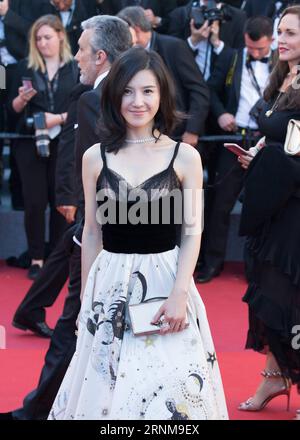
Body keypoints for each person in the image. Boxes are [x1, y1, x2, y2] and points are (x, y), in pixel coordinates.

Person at [48, 46, 228, 420]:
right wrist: (86, 299)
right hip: (110, 280)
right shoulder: (95, 157)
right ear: (114, 95)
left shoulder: (184, 157)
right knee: (107, 385)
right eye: (128, 91)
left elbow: (193, 232)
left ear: (162, 95)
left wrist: (181, 291)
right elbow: (93, 232)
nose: (137, 101)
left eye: (147, 91)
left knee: (167, 390)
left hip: (165, 279)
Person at [0, 14, 133, 421]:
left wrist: (85, 217)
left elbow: (97, 163)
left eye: (81, 48)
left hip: (101, 227)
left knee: (74, 321)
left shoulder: (98, 98)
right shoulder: (127, 91)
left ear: (101, 55)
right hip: (121, 225)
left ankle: (39, 410)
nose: (76, 55)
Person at [236, 6, 300, 416]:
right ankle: (274, 375)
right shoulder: (285, 78)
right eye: (281, 31)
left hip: (295, 210)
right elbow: (282, 140)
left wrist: (265, 158)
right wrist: (257, 153)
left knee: (288, 295)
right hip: (274, 205)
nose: (282, 39)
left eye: (291, 33)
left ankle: (282, 374)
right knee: (268, 291)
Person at [197, 16, 275, 283]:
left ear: (272, 42)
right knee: (220, 204)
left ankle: (258, 268)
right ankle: (212, 263)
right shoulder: (231, 57)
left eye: (260, 50)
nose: (254, 53)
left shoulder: (283, 64)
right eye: (251, 48)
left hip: (267, 142)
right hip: (234, 139)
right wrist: (220, 114)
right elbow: (210, 90)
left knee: (264, 206)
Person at [9, 14, 78, 280]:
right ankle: (37, 258)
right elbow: (11, 111)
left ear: (61, 36)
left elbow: (81, 108)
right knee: (34, 202)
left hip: (65, 142)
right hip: (30, 143)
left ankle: (57, 260)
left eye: (47, 37)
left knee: (62, 202)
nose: (42, 43)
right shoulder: (24, 68)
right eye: (38, 38)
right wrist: (19, 100)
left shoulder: (74, 69)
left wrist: (58, 119)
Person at [117, 6, 210, 147]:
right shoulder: (129, 54)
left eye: (123, 32)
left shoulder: (174, 47)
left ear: (135, 29)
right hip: (146, 136)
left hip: (178, 134)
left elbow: (199, 90)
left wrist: (193, 130)